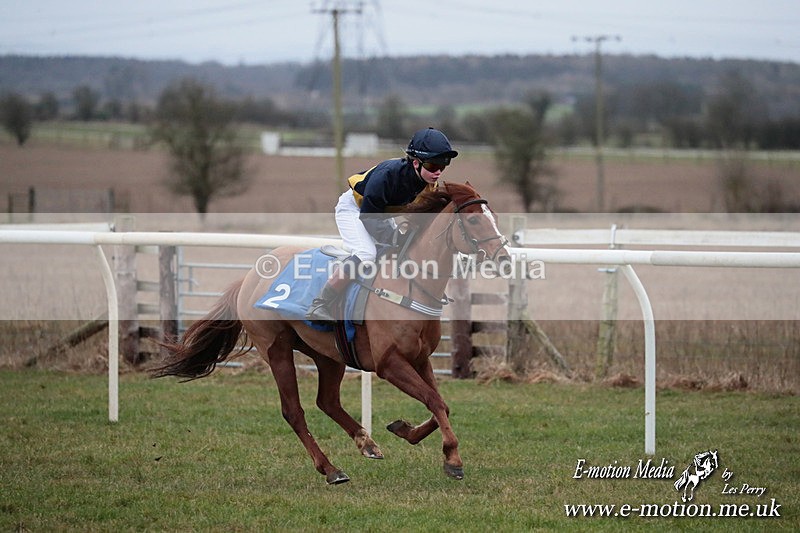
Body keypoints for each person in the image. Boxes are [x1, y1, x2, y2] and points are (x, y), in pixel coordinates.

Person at [306, 127, 458, 323]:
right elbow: (369, 216)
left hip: (380, 213)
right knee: (366, 254)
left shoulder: (430, 186)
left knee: (401, 252)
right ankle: (320, 303)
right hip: (356, 209)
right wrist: (393, 237)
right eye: (432, 165)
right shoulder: (387, 174)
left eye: (443, 166)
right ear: (415, 162)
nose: (437, 172)